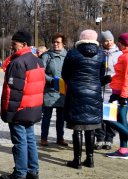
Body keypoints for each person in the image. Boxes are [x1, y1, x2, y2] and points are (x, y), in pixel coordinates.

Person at [0, 30, 44, 179]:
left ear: (24, 44)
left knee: (20, 142)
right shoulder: (37, 60)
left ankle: (20, 173)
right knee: (30, 139)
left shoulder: (18, 62)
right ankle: (33, 171)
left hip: (20, 109)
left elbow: (14, 91)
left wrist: (9, 112)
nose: (12, 46)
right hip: (32, 107)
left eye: (14, 43)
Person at [61, 29, 106, 169]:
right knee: (91, 128)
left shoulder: (72, 53)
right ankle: (90, 159)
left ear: (81, 38)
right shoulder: (101, 54)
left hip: (76, 92)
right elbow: (101, 75)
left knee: (77, 128)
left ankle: (77, 160)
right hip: (94, 92)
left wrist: (73, 83)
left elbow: (64, 73)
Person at [39, 33, 68, 147]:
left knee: (61, 118)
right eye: (54, 42)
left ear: (63, 44)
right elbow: (41, 72)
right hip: (49, 90)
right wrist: (51, 80)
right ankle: (44, 138)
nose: (56, 44)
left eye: (58, 42)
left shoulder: (68, 56)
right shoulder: (46, 56)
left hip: (63, 91)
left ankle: (60, 138)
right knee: (47, 116)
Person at [95, 30, 122, 150]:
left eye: (110, 40)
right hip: (100, 87)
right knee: (99, 114)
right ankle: (100, 138)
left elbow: (120, 71)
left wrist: (112, 78)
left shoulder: (119, 54)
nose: (108, 42)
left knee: (110, 115)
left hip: (112, 89)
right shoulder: (98, 53)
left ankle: (109, 138)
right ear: (102, 42)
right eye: (106, 40)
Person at [104, 33, 128, 159]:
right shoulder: (124, 55)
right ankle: (124, 150)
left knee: (106, 117)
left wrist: (123, 96)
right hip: (119, 93)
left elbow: (127, 78)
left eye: (118, 41)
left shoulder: (126, 57)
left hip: (120, 94)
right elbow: (120, 75)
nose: (116, 43)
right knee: (122, 121)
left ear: (122, 42)